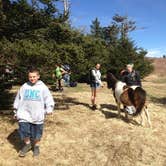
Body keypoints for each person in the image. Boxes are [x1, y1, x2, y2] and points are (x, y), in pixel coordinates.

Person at [13, 68, 55, 157]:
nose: (32, 79)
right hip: (24, 113)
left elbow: (48, 98)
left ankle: (36, 146)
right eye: (30, 77)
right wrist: (15, 110)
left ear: (38, 76)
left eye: (34, 77)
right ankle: (27, 144)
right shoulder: (24, 86)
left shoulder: (42, 87)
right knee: (23, 130)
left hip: (37, 114)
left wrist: (49, 108)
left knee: (37, 134)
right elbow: (18, 98)